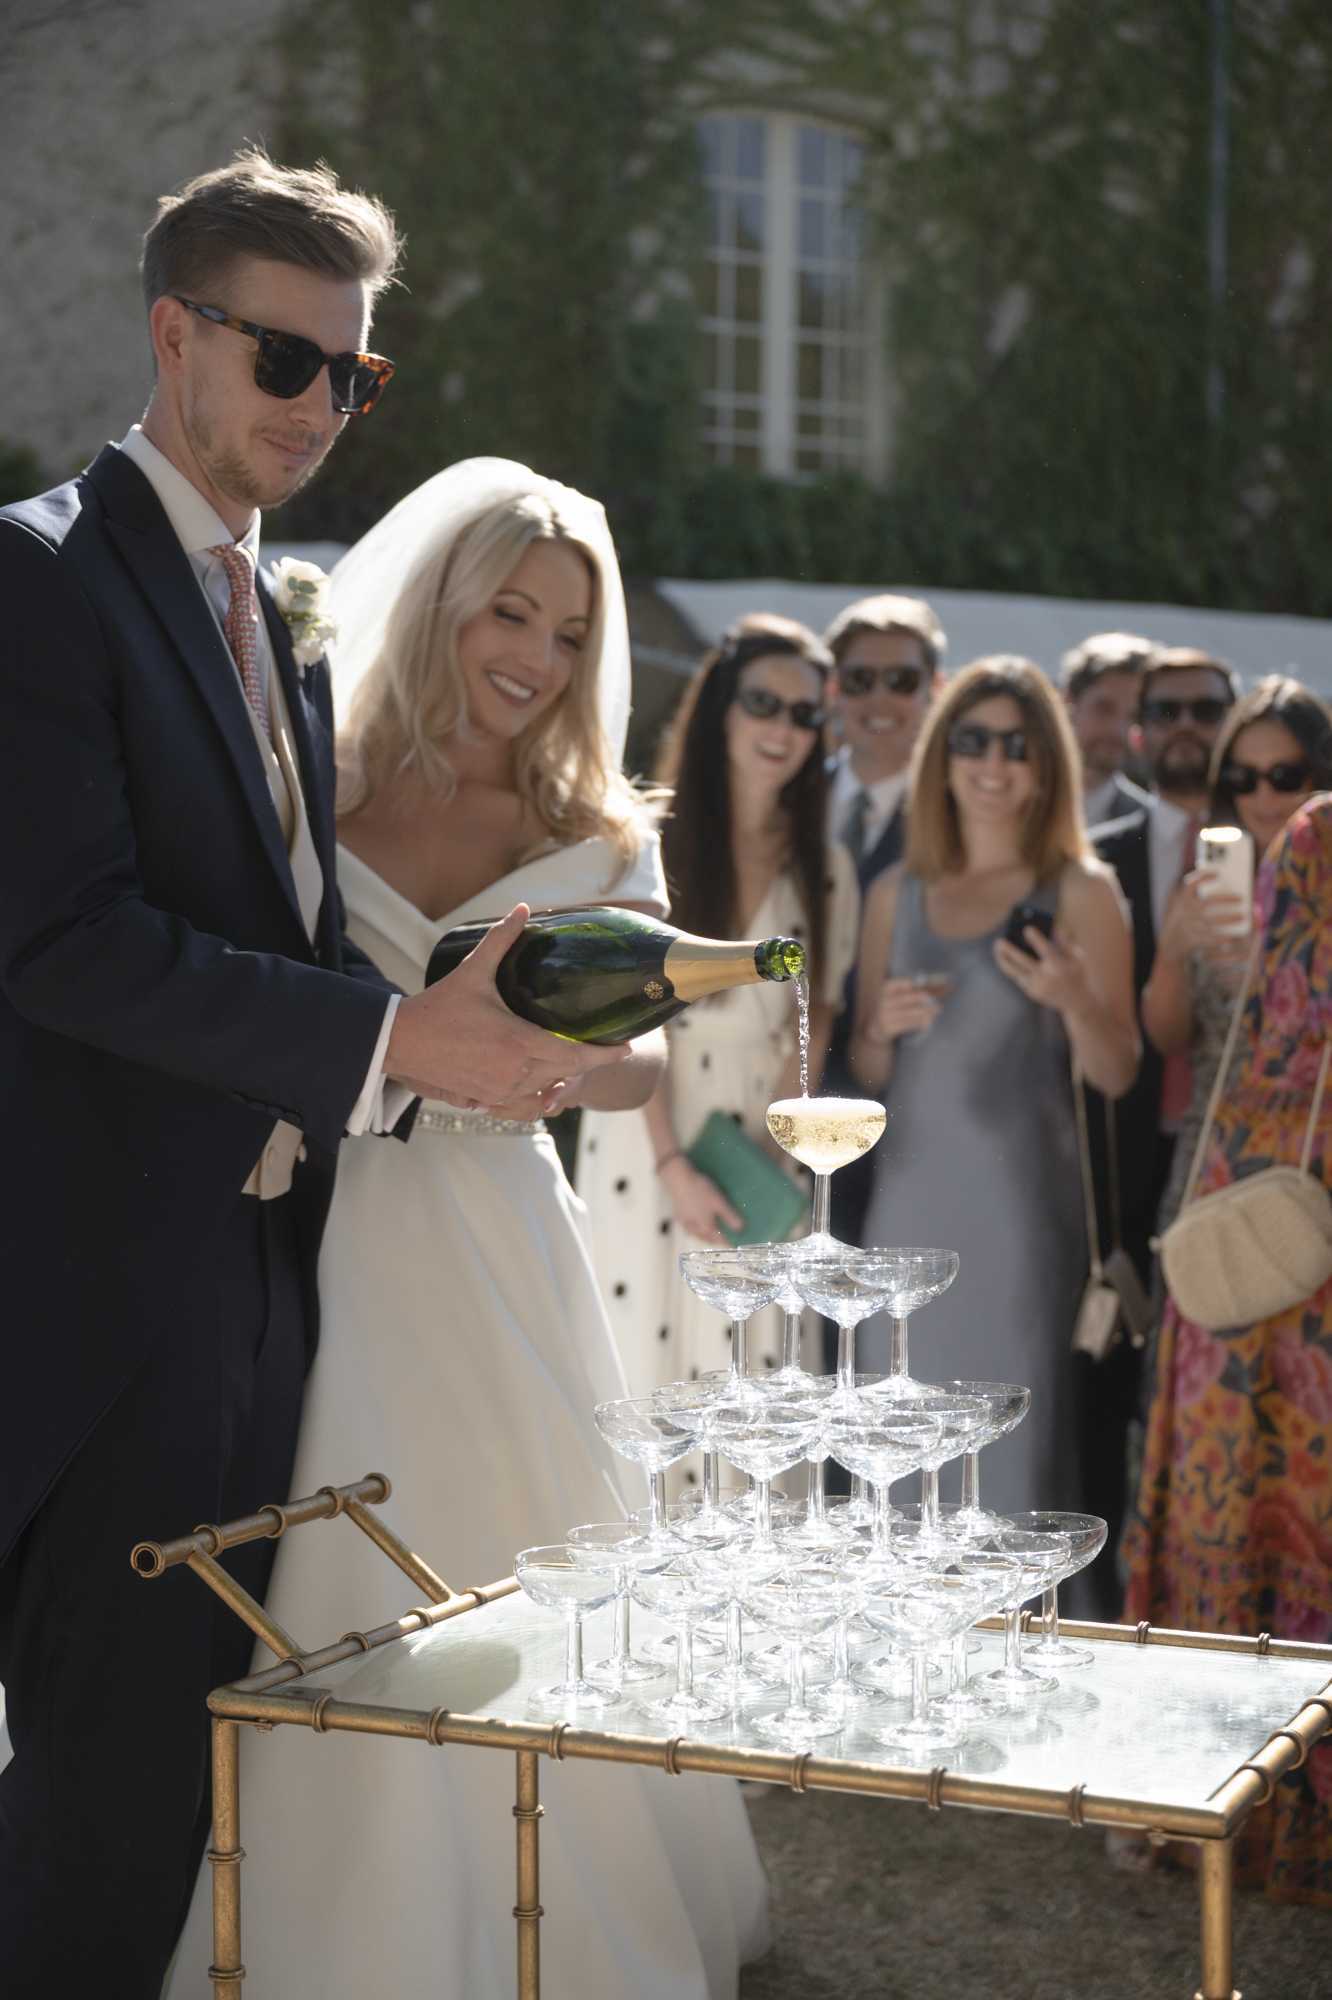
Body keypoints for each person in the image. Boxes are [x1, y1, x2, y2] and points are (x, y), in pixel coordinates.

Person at [0, 156, 629, 1997]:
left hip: (271, 1293)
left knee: (190, 1792)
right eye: (286, 361)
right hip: (104, 1304)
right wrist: (392, 1040)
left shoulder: (269, 613)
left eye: (350, 378)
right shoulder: (40, 581)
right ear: (171, 334)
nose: (318, 408)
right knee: (96, 1813)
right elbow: (62, 940)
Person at [168, 460, 770, 1998]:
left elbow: (644, 1056)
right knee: (315, 1559)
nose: (539, 656)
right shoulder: (317, 776)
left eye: (571, 632)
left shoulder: (593, 827)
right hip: (318, 1216)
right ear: (440, 600)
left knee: (517, 1556)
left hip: (501, 1228)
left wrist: (564, 1060)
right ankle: (315, 1925)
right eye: (512, 612)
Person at [849, 657, 1138, 1526]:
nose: (994, 763)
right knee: (894, 1448)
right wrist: (878, 1031)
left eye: (1018, 745)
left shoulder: (1083, 889)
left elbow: (1118, 1071)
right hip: (901, 1218)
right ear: (942, 755)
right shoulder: (894, 893)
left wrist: (1075, 1001)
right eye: (973, 740)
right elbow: (865, 1078)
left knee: (1009, 1465)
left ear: (1048, 764)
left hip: (1020, 1223)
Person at [1123, 793, 1332, 1905]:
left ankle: (1236, 1811)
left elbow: (1278, 1030)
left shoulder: (1315, 837)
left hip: (1269, 1207)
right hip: (1285, 1230)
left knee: (1244, 1526)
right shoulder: (1314, 838)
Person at [579, 615, 860, 1395]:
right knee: (641, 1370)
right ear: (720, 709)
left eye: (806, 715)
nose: (784, 729)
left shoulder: (827, 868)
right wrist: (670, 1162)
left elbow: (816, 1020)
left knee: (755, 1374)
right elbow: (617, 1016)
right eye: (763, 703)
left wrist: (767, 1161)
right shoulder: (639, 846)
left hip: (766, 1138)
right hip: (646, 1117)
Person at [1079, 647, 1240, 1608]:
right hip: (1122, 1155)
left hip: (1231, 1151)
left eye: (1205, 709)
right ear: (1138, 727)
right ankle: (1110, 1598)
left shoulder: (1283, 845)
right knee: (1111, 1382)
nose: (1187, 726)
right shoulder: (1097, 843)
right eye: (1166, 709)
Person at [1145, 675, 1332, 1249]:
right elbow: (1168, 1035)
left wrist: (1276, 972)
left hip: (1313, 1164)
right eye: (1241, 778)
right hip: (1214, 1160)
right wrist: (1173, 954)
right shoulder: (1209, 885)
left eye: (1285, 776)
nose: (1263, 798)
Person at [822, 592, 943, 1254]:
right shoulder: (791, 795)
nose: (880, 699)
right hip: (780, 1104)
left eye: (902, 680)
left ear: (936, 688)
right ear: (835, 689)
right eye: (861, 679)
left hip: (912, 1122)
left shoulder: (961, 814)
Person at [1059, 629, 1157, 825]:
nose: (1118, 729)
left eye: (1133, 716)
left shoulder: (1149, 824)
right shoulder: (1008, 801)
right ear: (1068, 701)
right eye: (1104, 709)